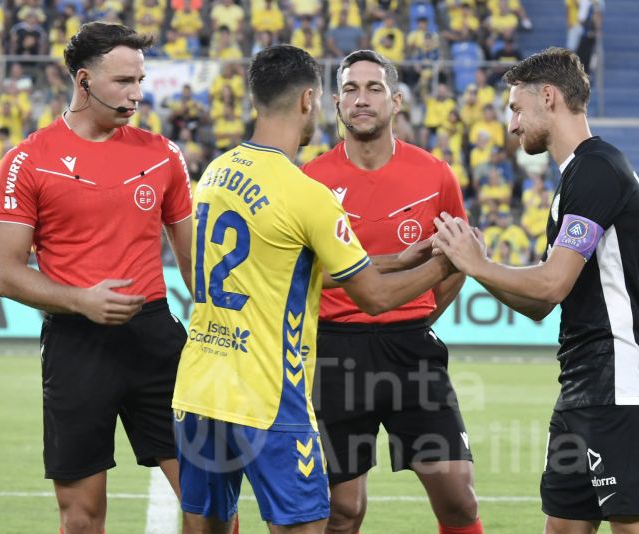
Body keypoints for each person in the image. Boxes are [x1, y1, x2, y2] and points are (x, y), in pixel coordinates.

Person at [170, 44, 456, 534]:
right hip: (268, 395)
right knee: (306, 524)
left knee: (206, 527)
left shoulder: (215, 172)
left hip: (200, 387)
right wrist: (449, 263)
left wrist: (394, 259)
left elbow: (281, 260)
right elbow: (374, 298)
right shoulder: (308, 192)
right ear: (308, 100)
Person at [433, 47, 639, 534]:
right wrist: (476, 267)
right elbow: (542, 303)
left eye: (517, 109)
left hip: (621, 383)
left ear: (548, 96)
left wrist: (478, 262)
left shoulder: (597, 169)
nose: (512, 124)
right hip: (581, 386)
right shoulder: (577, 178)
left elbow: (552, 281)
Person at [0, 22, 193, 533]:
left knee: (211, 502)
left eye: (140, 80)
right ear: (83, 81)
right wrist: (82, 301)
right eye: (124, 81)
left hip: (155, 338)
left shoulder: (163, 154)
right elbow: (7, 273)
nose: (137, 94)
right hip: (77, 344)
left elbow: (196, 265)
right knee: (81, 517)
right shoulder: (27, 161)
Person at [302, 49, 483, 534]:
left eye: (374, 88)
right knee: (342, 511)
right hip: (333, 353)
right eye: (351, 90)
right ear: (336, 104)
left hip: (411, 352)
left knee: (459, 500)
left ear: (396, 101)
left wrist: (420, 317)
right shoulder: (310, 181)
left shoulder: (435, 175)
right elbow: (305, 274)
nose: (363, 100)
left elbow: (456, 261)